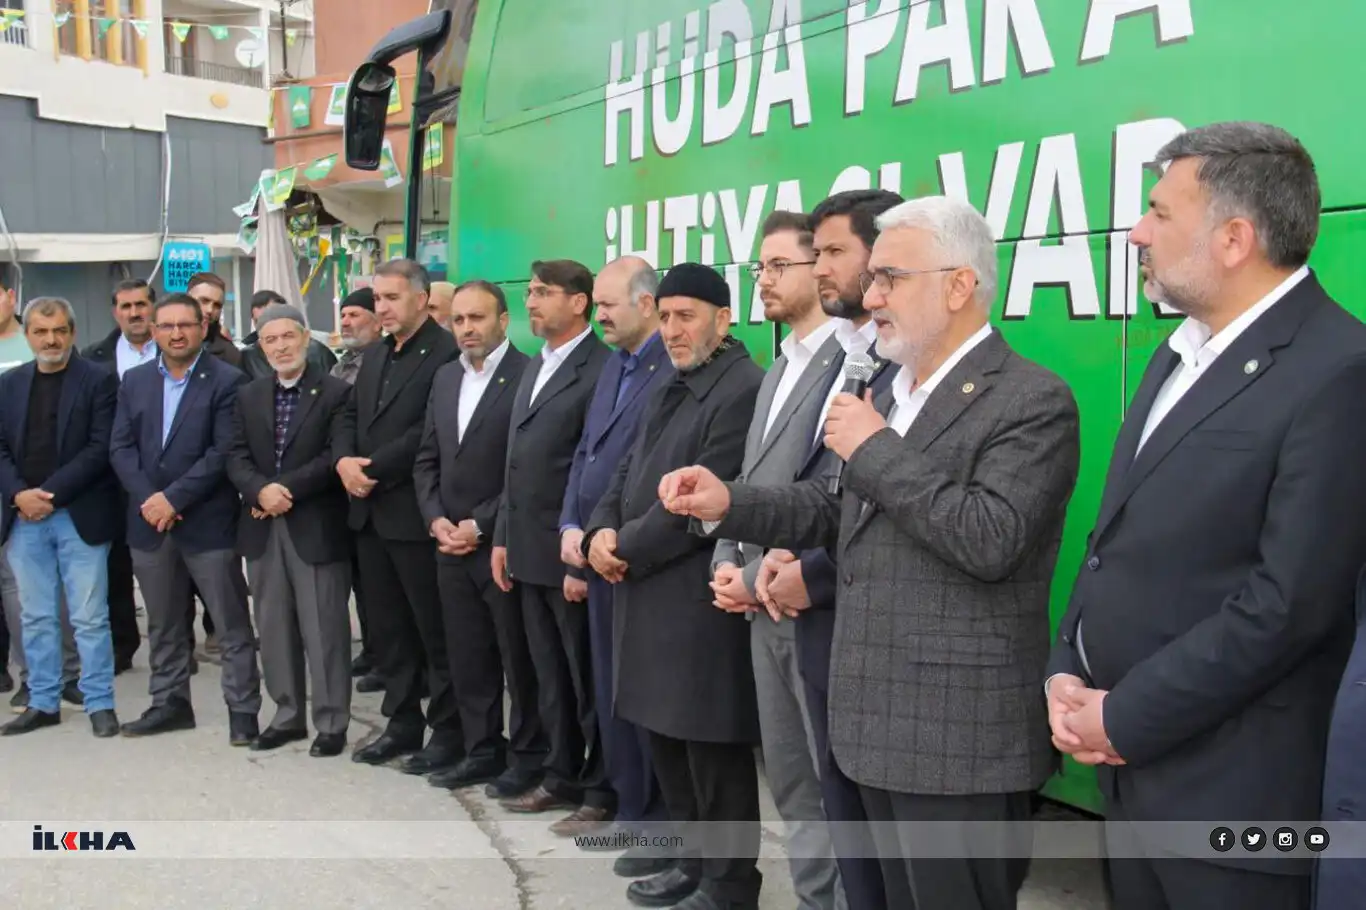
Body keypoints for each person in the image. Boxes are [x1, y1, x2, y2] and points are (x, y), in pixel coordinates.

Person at [662, 197, 1082, 910]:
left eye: (891, 278)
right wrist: (728, 501)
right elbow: (837, 512)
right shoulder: (893, 392)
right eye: (875, 277)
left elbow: (991, 538)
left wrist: (874, 446)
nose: (873, 295)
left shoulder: (1030, 399)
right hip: (867, 728)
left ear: (959, 286)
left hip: (955, 744)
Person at [1045, 122, 1366, 910]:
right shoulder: (1177, 353)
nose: (1136, 233)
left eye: (1159, 211)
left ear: (1234, 239)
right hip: (1131, 784)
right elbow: (1112, 540)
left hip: (1235, 806)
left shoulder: (1339, 370)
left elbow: (1290, 604)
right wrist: (1067, 665)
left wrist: (1125, 716)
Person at [584, 262, 766, 910]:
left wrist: (622, 549)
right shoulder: (671, 380)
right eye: (664, 317)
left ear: (723, 318)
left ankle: (729, 884)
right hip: (645, 593)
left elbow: (697, 507)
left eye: (686, 316)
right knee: (666, 741)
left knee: (710, 751)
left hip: (694, 604)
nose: (672, 329)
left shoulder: (741, 387)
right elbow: (625, 469)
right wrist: (599, 531)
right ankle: (690, 864)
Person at [756, 189, 904, 910]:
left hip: (857, 624)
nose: (819, 268)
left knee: (864, 825)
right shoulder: (841, 359)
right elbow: (818, 489)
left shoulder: (900, 372)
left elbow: (891, 506)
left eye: (833, 252)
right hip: (791, 600)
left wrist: (807, 569)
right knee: (809, 793)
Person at [710, 211, 843, 910]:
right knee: (792, 785)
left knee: (831, 788)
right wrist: (727, 561)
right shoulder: (780, 367)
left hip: (809, 606)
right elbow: (749, 477)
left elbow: (835, 494)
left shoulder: (850, 364)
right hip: (758, 606)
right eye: (760, 267)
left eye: (780, 265)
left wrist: (774, 575)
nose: (764, 279)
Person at [558, 256, 675, 859]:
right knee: (610, 695)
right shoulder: (614, 366)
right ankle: (631, 811)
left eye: (607, 304)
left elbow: (650, 473)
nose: (598, 314)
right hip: (597, 554)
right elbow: (586, 452)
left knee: (643, 700)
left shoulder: (668, 370)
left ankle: (654, 821)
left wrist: (612, 542)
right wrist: (571, 527)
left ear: (646, 304)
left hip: (636, 562)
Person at [109, 293, 262, 744]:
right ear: (154, 331)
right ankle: (169, 703)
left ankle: (243, 711)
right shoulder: (134, 380)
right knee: (163, 623)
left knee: (230, 623)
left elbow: (222, 451)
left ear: (202, 328)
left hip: (207, 523)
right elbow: (120, 447)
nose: (176, 334)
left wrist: (173, 500)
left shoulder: (228, 380)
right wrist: (150, 500)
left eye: (185, 325)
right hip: (149, 524)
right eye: (167, 326)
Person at [491, 260, 611, 814]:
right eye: (530, 291)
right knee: (548, 677)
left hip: (567, 555)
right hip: (525, 550)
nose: (531, 301)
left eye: (543, 292)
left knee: (585, 679)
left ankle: (600, 786)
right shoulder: (536, 364)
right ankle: (560, 774)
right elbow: (514, 462)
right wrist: (502, 537)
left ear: (579, 303)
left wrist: (576, 560)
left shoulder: (599, 368)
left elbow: (590, 472)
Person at [332, 258, 460, 770]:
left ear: (422, 299)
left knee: (435, 634)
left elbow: (429, 430)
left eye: (391, 298)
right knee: (388, 633)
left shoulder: (446, 353)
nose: (381, 308)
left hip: (414, 513)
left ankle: (449, 732)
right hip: (369, 513)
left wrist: (370, 468)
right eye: (377, 298)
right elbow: (348, 415)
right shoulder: (377, 355)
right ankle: (402, 723)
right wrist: (343, 461)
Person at [414, 280, 539, 794]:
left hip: (501, 544)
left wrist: (480, 525)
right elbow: (428, 458)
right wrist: (435, 520)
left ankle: (528, 758)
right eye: (459, 319)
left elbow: (526, 470)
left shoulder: (529, 374)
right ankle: (481, 749)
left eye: (477, 318)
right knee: (467, 657)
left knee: (517, 659)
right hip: (449, 545)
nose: (467, 328)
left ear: (503, 321)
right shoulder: (446, 377)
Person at [226, 303, 354, 758]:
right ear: (261, 347)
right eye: (270, 340)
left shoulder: (337, 392)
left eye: (287, 337)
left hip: (314, 524)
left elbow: (335, 455)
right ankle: (286, 716)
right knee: (274, 626)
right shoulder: (248, 395)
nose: (280, 347)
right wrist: (259, 491)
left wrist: (284, 490)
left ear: (305, 338)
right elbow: (234, 455)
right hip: (262, 526)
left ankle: (332, 722)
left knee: (324, 630)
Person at [0, 297, 121, 738]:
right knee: (35, 617)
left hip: (78, 514)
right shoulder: (10, 384)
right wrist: (19, 495)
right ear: (27, 334)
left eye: (59, 331)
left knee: (89, 617)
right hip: (24, 518)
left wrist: (47, 496)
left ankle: (99, 702)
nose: (50, 340)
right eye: (41, 331)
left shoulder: (99, 380)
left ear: (72, 332)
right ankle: (43, 702)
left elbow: (100, 447)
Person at [82, 277, 160, 675]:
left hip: (164, 476)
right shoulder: (93, 358)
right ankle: (122, 646)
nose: (134, 313)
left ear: (152, 307)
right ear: (115, 312)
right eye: (126, 306)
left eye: (141, 304)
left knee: (169, 567)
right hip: (111, 480)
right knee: (116, 569)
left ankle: (175, 646)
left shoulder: (175, 348)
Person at [329, 286, 383, 689]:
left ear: (377, 321)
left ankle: (386, 655)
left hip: (373, 483)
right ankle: (372, 647)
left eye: (355, 315)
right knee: (361, 581)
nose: (346, 322)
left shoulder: (381, 362)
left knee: (379, 584)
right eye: (344, 315)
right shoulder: (341, 365)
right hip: (341, 487)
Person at [239, 290, 339, 381]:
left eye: (274, 318)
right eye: (260, 321)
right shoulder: (247, 358)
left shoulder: (319, 352)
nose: (281, 346)